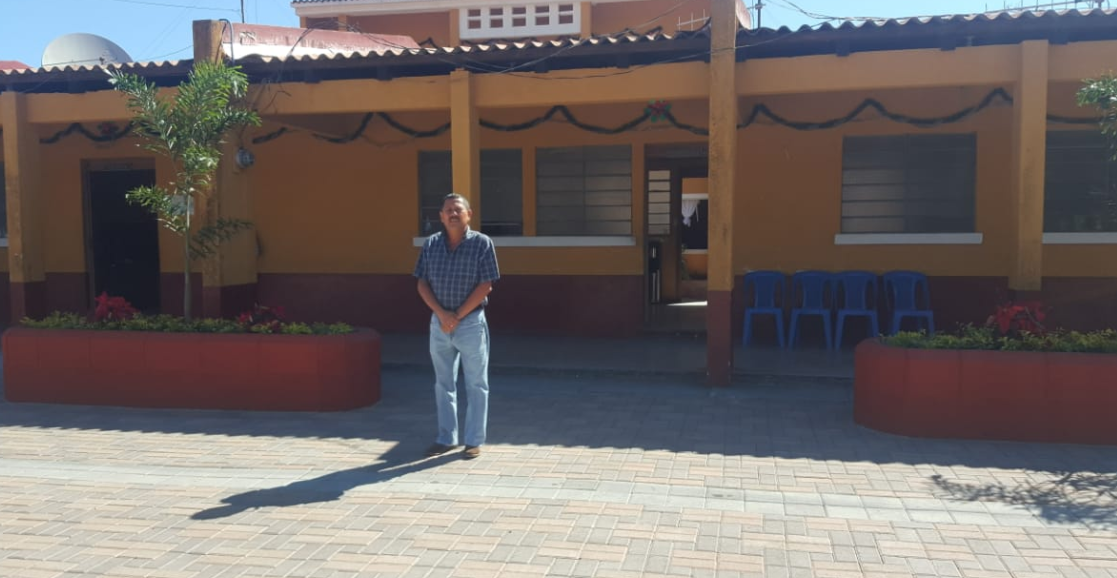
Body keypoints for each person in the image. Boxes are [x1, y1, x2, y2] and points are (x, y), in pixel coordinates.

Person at [413, 193, 500, 460]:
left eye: (457, 209)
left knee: (476, 383)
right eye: (448, 210)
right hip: (439, 324)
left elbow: (486, 284)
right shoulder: (431, 245)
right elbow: (421, 282)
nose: (452, 213)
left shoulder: (482, 244)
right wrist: (442, 315)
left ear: (468, 214)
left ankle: (473, 440)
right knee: (443, 383)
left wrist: (457, 316)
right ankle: (445, 438)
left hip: (471, 324)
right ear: (440, 216)